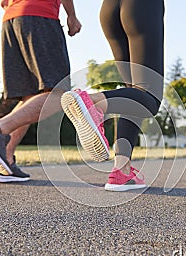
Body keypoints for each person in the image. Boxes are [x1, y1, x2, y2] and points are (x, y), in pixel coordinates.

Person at [0, 0, 81, 183]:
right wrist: (72, 15)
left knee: (30, 95)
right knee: (58, 93)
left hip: (11, 20)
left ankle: (4, 160)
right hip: (40, 15)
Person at [61, 0, 164, 191]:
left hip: (109, 10)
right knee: (150, 98)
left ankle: (121, 172)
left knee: (133, 93)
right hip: (142, 7)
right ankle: (91, 103)